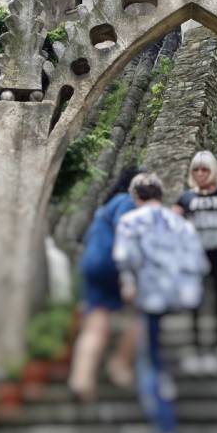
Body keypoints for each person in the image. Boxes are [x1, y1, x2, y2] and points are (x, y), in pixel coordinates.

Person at [113, 172, 209, 433]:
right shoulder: (180, 223)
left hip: (150, 296)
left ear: (135, 197)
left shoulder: (130, 221)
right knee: (155, 357)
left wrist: (129, 282)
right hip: (182, 296)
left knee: (148, 361)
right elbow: (198, 262)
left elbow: (124, 257)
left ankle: (166, 430)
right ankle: (165, 384)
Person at [69, 166, 143, 401]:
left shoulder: (105, 207)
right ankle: (119, 364)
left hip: (92, 265)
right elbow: (126, 231)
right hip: (113, 265)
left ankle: (81, 380)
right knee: (143, 315)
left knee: (95, 326)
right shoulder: (127, 202)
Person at [173, 150, 217, 375]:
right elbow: (172, 221)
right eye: (196, 169)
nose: (201, 173)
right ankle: (196, 350)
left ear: (213, 170)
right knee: (194, 302)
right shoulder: (186, 197)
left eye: (205, 169)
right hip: (194, 256)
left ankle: (213, 350)